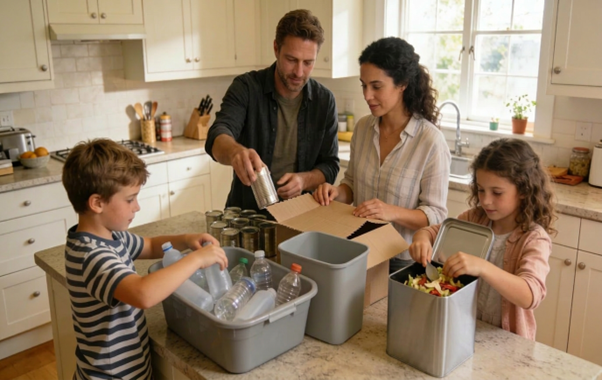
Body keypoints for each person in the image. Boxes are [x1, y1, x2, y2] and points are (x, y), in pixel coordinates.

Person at [61, 139, 228, 380]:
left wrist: (186, 239)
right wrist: (197, 260)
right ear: (97, 203)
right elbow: (143, 294)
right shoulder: (91, 256)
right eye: (130, 199)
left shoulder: (111, 235)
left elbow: (149, 245)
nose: (137, 207)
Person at [313, 37, 450, 272]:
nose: (367, 95)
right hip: (359, 250)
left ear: (402, 84)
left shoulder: (430, 142)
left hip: (402, 261)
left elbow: (435, 216)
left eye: (376, 86)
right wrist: (335, 192)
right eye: (363, 85)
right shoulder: (364, 129)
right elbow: (352, 185)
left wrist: (390, 211)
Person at [409, 138, 556, 340]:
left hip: (506, 339)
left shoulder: (534, 239)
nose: (486, 200)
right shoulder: (474, 218)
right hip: (464, 327)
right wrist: (421, 239)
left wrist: (483, 267)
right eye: (480, 190)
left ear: (523, 190)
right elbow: (432, 232)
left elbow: (530, 295)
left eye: (497, 192)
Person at [205, 9, 339, 213]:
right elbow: (218, 134)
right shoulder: (247, 87)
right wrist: (235, 152)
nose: (299, 72)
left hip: (300, 216)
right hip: (247, 216)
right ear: (276, 49)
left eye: (308, 62)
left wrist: (304, 180)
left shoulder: (324, 100)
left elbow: (330, 166)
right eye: (291, 60)